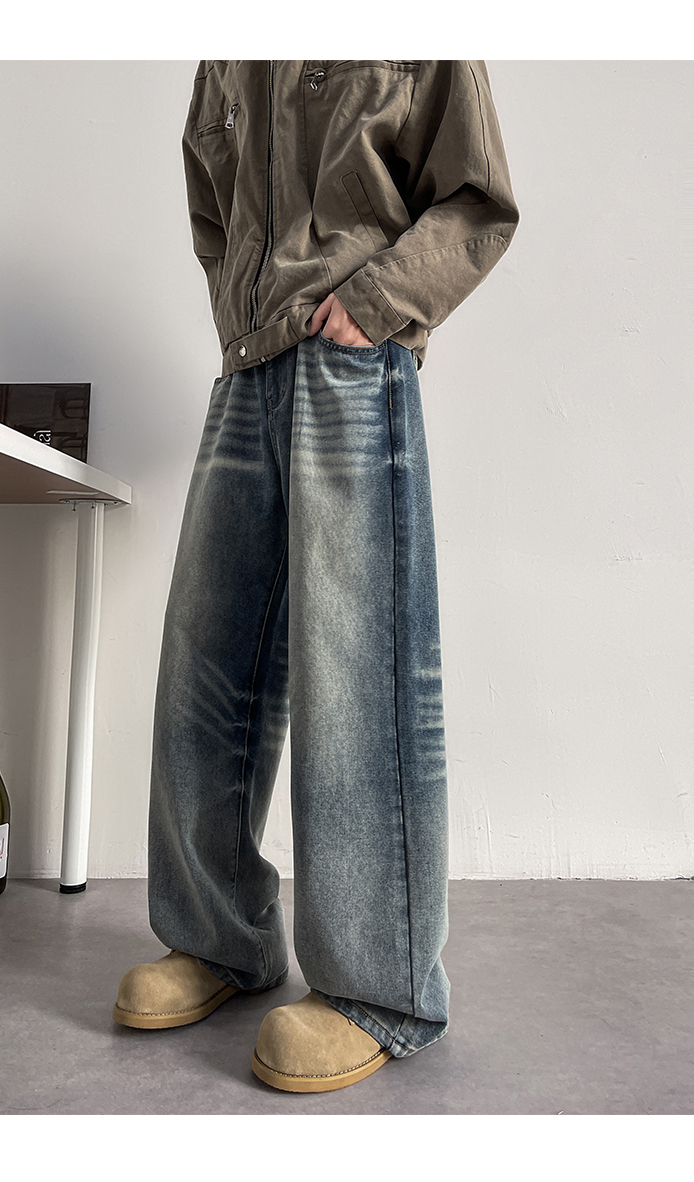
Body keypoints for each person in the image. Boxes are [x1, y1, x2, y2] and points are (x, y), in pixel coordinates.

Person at [113, 59, 520, 1094]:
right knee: (206, 668)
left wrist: (373, 300)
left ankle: (379, 988)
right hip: (248, 367)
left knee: (358, 678)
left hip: (352, 359)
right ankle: (218, 938)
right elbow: (212, 205)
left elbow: (478, 197)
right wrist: (240, 317)